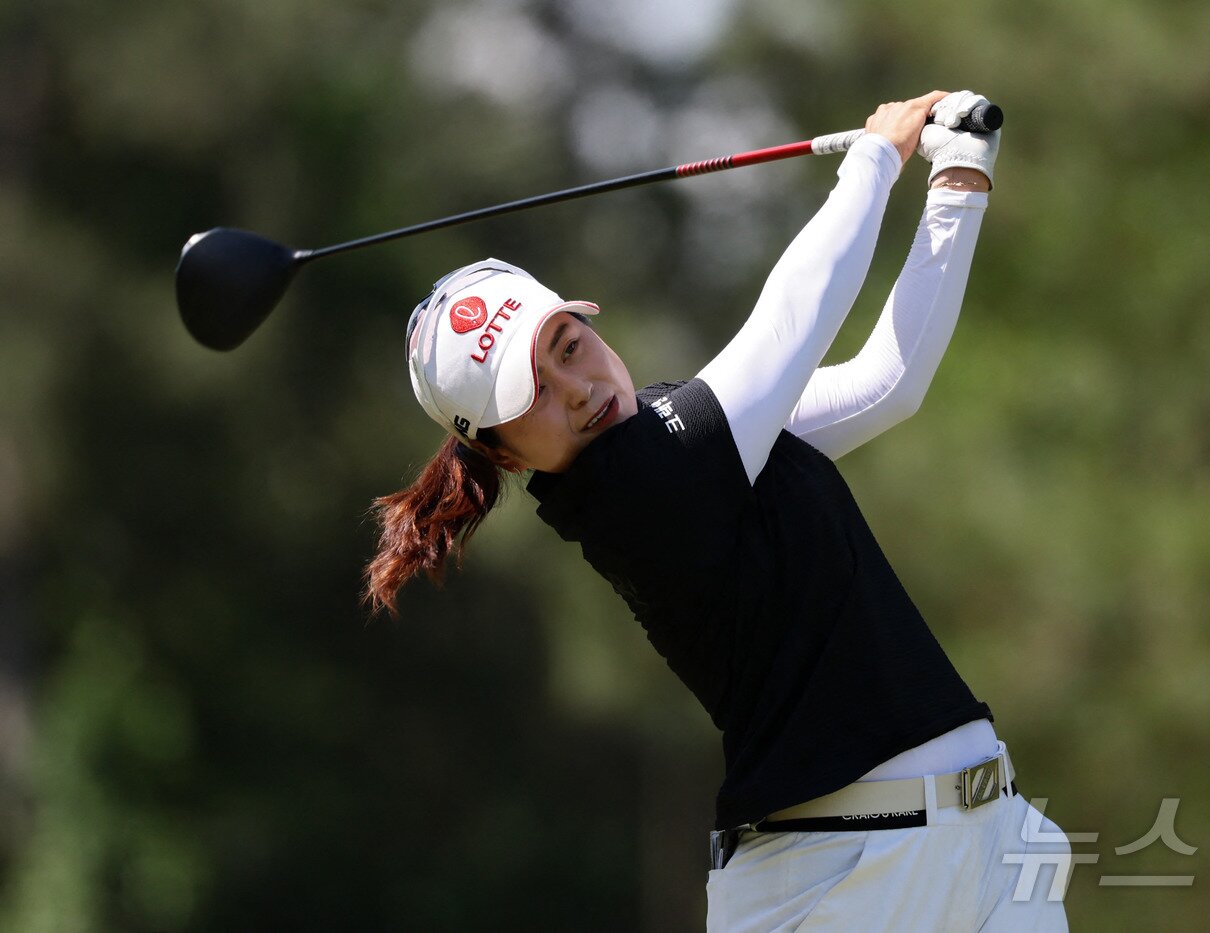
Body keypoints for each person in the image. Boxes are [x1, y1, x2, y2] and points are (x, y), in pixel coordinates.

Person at [367, 90, 1072, 931]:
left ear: (587, 320)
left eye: (567, 346)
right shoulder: (639, 486)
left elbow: (887, 382)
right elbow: (790, 322)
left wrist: (958, 179)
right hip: (844, 881)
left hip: (982, 840)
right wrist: (876, 158)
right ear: (505, 454)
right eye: (534, 396)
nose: (580, 388)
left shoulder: (690, 437)